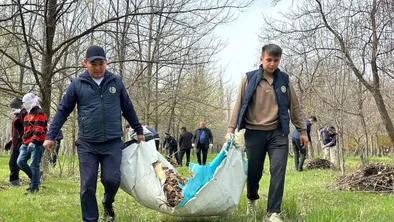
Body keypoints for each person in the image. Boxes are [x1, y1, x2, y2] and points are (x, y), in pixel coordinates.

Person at [43, 45, 144, 222]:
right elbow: (63, 110)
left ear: (106, 63)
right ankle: (90, 219)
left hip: (112, 142)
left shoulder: (116, 82)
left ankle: (107, 202)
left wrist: (138, 129)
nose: (97, 68)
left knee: (112, 180)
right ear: (85, 63)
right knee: (88, 184)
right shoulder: (77, 84)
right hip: (87, 144)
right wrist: (51, 135)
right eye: (93, 64)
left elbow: (127, 108)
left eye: (101, 63)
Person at [227, 44, 307, 222]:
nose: (272, 63)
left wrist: (302, 130)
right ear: (261, 59)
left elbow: (295, 107)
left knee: (278, 171)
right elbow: (238, 105)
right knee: (254, 172)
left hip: (277, 133)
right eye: (269, 60)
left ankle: (273, 212)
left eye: (276, 60)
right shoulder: (249, 79)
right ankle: (252, 199)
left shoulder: (284, 80)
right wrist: (230, 130)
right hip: (254, 133)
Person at [17, 93, 48, 194]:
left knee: (34, 164)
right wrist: (24, 141)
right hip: (26, 143)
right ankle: (35, 178)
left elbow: (39, 129)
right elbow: (26, 130)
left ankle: (34, 187)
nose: (25, 105)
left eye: (26, 103)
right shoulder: (26, 115)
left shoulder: (40, 113)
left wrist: (33, 141)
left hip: (37, 143)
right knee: (20, 161)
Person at [5, 97, 28, 187]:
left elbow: (25, 130)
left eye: (13, 107)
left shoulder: (24, 114)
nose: (12, 110)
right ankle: (35, 175)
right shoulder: (17, 115)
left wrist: (24, 141)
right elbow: (16, 132)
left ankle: (15, 184)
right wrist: (10, 141)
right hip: (15, 143)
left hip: (21, 144)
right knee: (17, 163)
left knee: (14, 164)